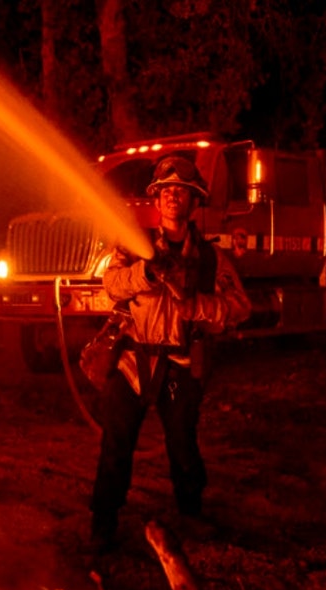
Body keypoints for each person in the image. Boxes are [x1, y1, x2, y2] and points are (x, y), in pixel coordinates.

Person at [89, 155, 251, 550]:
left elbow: (240, 308)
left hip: (180, 363)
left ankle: (191, 514)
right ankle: (103, 522)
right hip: (132, 360)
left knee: (182, 443)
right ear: (156, 201)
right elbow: (112, 285)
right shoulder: (133, 249)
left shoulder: (212, 260)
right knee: (116, 443)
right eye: (165, 192)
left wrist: (196, 306)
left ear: (194, 201)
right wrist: (144, 273)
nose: (172, 197)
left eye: (180, 191)